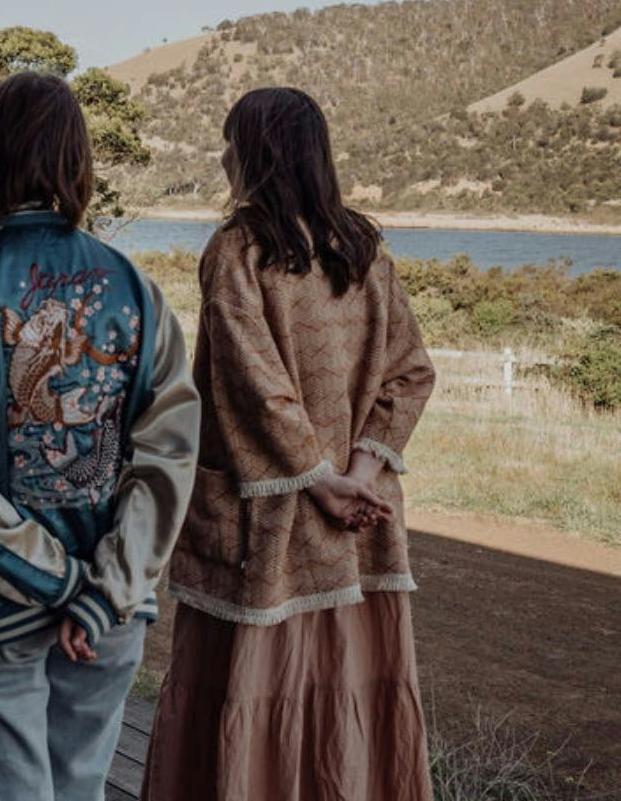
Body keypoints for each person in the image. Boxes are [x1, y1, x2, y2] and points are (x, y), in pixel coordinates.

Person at [0, 72, 200, 800]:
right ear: (78, 161)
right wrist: (104, 589)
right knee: (82, 789)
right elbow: (169, 457)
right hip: (109, 600)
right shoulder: (136, 287)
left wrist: (56, 583)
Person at [141, 86, 436, 801]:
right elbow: (411, 372)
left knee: (250, 692)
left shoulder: (239, 251)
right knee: (347, 692)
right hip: (357, 523)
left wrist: (323, 479)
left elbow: (253, 387)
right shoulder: (364, 249)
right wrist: (359, 473)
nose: (221, 156)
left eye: (229, 142)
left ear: (256, 155)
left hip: (270, 522)